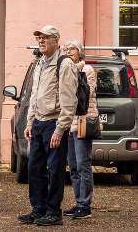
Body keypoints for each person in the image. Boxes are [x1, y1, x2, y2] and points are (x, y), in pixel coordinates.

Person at [18, 25, 78, 226]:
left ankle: (54, 212)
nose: (41, 41)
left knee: (55, 169)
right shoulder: (40, 63)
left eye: (45, 38)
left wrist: (60, 129)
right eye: (39, 38)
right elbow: (34, 96)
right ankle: (38, 209)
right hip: (38, 124)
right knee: (34, 168)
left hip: (54, 123)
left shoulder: (65, 63)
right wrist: (29, 121)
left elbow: (69, 101)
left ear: (56, 40)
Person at [63, 39, 98, 219]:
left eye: (72, 49)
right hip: (69, 124)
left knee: (84, 165)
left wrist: (71, 75)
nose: (69, 51)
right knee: (74, 166)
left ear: (79, 52)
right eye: (66, 49)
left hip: (83, 122)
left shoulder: (87, 70)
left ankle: (85, 205)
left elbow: (86, 93)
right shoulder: (65, 70)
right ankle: (78, 202)